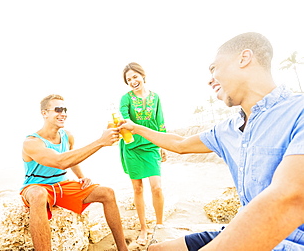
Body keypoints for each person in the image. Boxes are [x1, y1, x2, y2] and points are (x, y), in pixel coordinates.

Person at [119, 32, 304, 250]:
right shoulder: (228, 129)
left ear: (244, 59)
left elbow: (290, 197)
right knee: (157, 249)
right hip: (239, 230)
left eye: (214, 68)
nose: (209, 79)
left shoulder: (298, 111)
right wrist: (136, 128)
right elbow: (180, 144)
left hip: (288, 242)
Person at [20, 94, 129, 251]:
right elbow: (60, 161)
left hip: (62, 186)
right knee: (38, 194)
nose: (63, 113)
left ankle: (123, 248)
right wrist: (100, 142)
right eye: (58, 109)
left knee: (107, 193)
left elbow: (71, 158)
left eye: (64, 109)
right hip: (36, 186)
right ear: (45, 113)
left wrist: (81, 177)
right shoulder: (32, 142)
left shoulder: (67, 136)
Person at [119, 62, 167, 246]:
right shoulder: (126, 98)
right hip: (132, 145)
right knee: (138, 188)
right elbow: (125, 118)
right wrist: (129, 125)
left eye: (135, 76)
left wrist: (162, 144)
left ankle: (160, 225)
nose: (133, 81)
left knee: (157, 187)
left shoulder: (156, 98)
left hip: (152, 144)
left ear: (143, 76)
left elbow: (160, 121)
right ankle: (143, 228)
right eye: (129, 79)